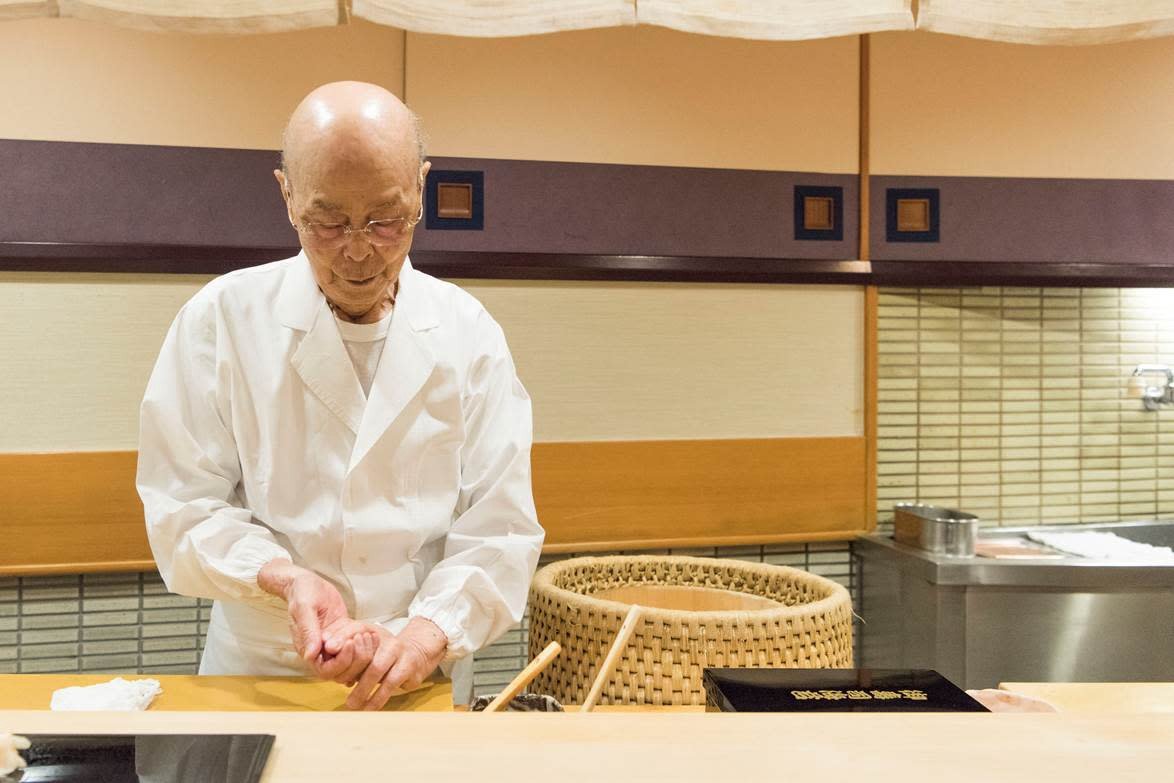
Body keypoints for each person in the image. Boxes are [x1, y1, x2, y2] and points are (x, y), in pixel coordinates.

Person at [136, 81, 543, 708]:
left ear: (421, 189)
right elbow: (183, 506)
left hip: (418, 673)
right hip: (261, 671)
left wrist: (429, 632)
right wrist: (284, 578)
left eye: (386, 219)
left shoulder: (469, 333)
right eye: (329, 221)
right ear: (287, 195)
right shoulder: (221, 319)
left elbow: (501, 528)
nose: (358, 250)